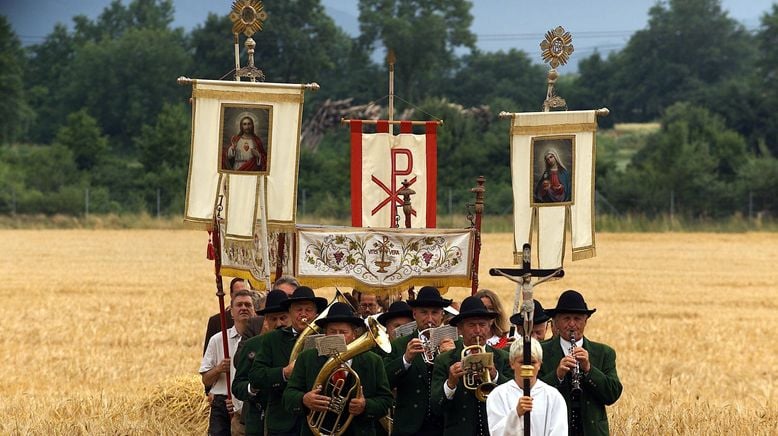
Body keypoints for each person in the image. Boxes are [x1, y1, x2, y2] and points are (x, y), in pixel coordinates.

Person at [282, 302, 393, 436]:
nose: (338, 336)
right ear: (325, 334)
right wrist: (304, 399)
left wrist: (365, 406)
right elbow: (288, 397)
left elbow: (386, 399)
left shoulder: (373, 360)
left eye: (343, 332)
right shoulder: (306, 358)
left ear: (354, 334)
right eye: (333, 332)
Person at [538, 290, 623, 436]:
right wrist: (557, 375)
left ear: (586, 321)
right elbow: (533, 395)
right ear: (556, 322)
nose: (572, 324)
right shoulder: (540, 352)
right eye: (566, 318)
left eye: (577, 319)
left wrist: (589, 369)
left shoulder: (604, 353)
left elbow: (612, 395)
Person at [247, 286, 327, 436]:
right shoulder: (273, 339)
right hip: (282, 423)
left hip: (319, 421)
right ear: (290, 312)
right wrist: (283, 373)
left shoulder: (327, 338)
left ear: (316, 313)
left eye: (308, 310)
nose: (303, 314)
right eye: (298, 309)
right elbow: (255, 376)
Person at [431, 296, 514, 436]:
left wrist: (495, 377)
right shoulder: (444, 360)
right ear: (460, 329)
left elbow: (515, 399)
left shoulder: (503, 357)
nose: (478, 330)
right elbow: (436, 407)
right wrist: (450, 383)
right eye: (471, 325)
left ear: (489, 327)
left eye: (482, 325)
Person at [384, 286, 456, 435]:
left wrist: (451, 356)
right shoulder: (400, 344)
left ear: (442, 315)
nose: (430, 319)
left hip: (444, 426)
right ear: (414, 314)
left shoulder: (455, 344)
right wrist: (406, 359)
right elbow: (385, 381)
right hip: (410, 427)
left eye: (435, 313)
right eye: (424, 312)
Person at [232, 289, 291, 436]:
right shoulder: (252, 345)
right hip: (259, 421)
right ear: (265, 320)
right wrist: (253, 388)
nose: (279, 324)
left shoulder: (298, 344)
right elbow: (238, 386)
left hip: (289, 422)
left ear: (290, 317)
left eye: (283, 318)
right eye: (273, 319)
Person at [200, 290, 256, 436]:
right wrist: (218, 369)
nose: (244, 308)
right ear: (231, 312)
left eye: (248, 305)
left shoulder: (260, 341)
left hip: (248, 401)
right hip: (222, 403)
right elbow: (205, 379)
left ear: (254, 311)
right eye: (239, 305)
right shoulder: (218, 340)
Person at [486, 337, 568, 436]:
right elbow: (495, 432)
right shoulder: (498, 395)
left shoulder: (553, 396)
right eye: (522, 362)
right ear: (512, 363)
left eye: (533, 362)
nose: (527, 367)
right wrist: (516, 414)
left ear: (540, 364)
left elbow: (559, 431)